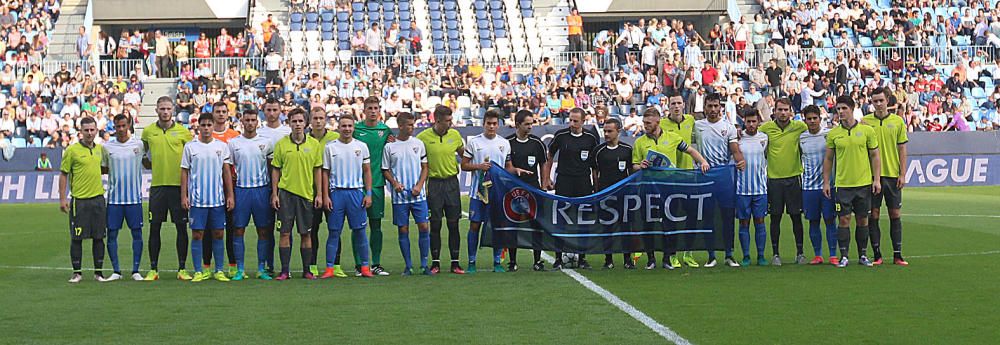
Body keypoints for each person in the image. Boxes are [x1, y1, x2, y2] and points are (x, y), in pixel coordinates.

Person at [632, 107, 711, 270]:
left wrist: (703, 161)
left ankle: (668, 257)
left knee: (670, 223)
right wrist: (641, 166)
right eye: (644, 122)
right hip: (648, 188)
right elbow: (634, 165)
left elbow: (690, 150)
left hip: (670, 188)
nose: (645, 125)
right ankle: (651, 259)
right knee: (648, 224)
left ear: (657, 122)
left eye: (648, 123)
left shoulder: (673, 138)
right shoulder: (639, 142)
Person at [462, 110, 524, 273]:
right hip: (478, 192)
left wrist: (515, 170)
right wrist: (479, 166)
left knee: (498, 226)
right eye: (488, 123)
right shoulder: (474, 142)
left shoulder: (504, 143)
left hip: (498, 193)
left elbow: (507, 167)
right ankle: (471, 262)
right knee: (475, 225)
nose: (491, 126)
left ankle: (497, 262)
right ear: (483, 124)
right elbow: (464, 165)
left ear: (498, 125)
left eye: (494, 123)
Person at [823, 96, 881, 268]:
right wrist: (826, 182)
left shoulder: (867, 131)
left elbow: (875, 155)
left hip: (863, 184)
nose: (840, 112)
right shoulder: (833, 134)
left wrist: (876, 179)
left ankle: (863, 255)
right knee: (844, 220)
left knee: (863, 220)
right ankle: (844, 256)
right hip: (842, 185)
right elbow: (828, 159)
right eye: (838, 109)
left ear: (852, 108)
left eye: (843, 108)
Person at [141, 96, 194, 281]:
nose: (165, 112)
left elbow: (191, 160)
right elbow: (144, 155)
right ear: (156, 110)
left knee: (181, 228)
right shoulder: (148, 132)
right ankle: (153, 269)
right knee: (154, 228)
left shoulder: (184, 133)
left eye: (168, 108)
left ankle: (182, 269)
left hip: (179, 187)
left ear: (173, 110)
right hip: (157, 187)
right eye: (162, 108)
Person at [180, 113, 236, 282]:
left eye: (208, 125)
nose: (206, 128)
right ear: (198, 127)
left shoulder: (221, 147)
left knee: (219, 233)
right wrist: (184, 196)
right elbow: (184, 172)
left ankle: (219, 270)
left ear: (213, 127)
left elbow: (226, 172)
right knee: (197, 234)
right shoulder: (190, 147)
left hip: (217, 199)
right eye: (203, 125)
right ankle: (199, 271)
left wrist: (230, 195)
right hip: (197, 200)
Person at [693, 93, 745, 268]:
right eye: (710, 106)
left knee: (727, 216)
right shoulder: (697, 125)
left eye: (716, 106)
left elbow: (735, 150)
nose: (713, 109)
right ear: (705, 107)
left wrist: (740, 160)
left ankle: (729, 254)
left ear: (720, 107)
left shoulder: (728, 127)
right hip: (704, 175)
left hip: (723, 174)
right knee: (708, 215)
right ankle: (711, 255)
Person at [543, 108, 599, 269]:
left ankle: (582, 257)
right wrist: (547, 178)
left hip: (583, 182)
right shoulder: (561, 136)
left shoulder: (590, 138)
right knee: (561, 220)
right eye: (570, 120)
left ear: (583, 121)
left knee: (583, 220)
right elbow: (550, 155)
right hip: (564, 182)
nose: (572, 124)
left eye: (575, 121)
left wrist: (596, 186)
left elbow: (594, 166)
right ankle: (558, 258)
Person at [271, 108, 323, 280]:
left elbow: (318, 170)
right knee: (284, 233)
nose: (298, 125)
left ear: (306, 123)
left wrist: (319, 194)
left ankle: (307, 270)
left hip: (306, 195)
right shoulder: (281, 144)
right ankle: (285, 270)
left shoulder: (314, 145)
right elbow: (275, 170)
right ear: (289, 123)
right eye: (294, 121)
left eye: (300, 121)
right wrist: (275, 193)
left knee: (306, 233)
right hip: (285, 194)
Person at [321, 115, 375, 278]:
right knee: (334, 231)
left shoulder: (361, 146)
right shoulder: (330, 147)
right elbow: (325, 173)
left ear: (353, 127)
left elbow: (367, 171)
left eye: (349, 126)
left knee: (360, 231)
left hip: (356, 193)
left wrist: (369, 193)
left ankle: (365, 267)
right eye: (343, 126)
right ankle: (329, 268)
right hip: (336, 193)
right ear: (338, 127)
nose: (347, 129)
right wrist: (325, 196)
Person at [416, 106, 466, 274]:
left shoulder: (455, 135)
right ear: (437, 120)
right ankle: (435, 263)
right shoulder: (423, 138)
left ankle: (455, 263)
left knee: (454, 224)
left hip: (452, 183)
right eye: (447, 121)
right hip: (434, 184)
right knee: (435, 224)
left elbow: (464, 154)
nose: (451, 123)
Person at [862, 89, 909, 266]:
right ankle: (877, 255)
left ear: (887, 100)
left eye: (881, 100)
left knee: (894, 213)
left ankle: (898, 255)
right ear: (871, 102)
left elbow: (902, 149)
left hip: (892, 175)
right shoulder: (866, 122)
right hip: (873, 177)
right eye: (875, 101)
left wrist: (902, 174)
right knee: (873, 214)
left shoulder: (897, 121)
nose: (878, 104)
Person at [228, 109, 277, 280]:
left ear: (257, 122)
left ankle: (261, 268)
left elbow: (272, 168)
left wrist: (273, 192)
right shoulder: (233, 143)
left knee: (263, 230)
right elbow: (230, 168)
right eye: (247, 120)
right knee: (239, 230)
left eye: (253, 120)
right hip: (241, 190)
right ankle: (240, 269)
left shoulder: (266, 142)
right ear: (242, 121)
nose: (250, 123)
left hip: (261, 190)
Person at [758, 98, 807, 265]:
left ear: (791, 111)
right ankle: (775, 254)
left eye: (786, 109)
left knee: (796, 217)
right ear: (775, 111)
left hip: (794, 179)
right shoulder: (766, 129)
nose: (783, 113)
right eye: (780, 109)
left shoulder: (800, 127)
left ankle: (800, 253)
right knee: (775, 218)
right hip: (774, 180)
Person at [382, 112, 431, 275]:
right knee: (403, 229)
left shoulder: (418, 143)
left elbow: (425, 167)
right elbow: (385, 169)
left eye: (413, 124)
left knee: (424, 227)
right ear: (400, 126)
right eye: (409, 125)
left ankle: (424, 264)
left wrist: (419, 185)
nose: (412, 128)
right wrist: (395, 183)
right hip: (400, 197)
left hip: (419, 195)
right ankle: (408, 265)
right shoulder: (390, 147)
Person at [59, 117, 108, 283]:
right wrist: (62, 199)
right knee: (77, 238)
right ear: (81, 131)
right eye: (86, 130)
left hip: (98, 199)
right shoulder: (72, 151)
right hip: (79, 201)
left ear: (96, 130)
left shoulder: (101, 149)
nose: (89, 133)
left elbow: (106, 168)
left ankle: (99, 273)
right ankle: (77, 273)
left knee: (99, 237)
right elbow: (63, 174)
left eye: (92, 130)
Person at [102, 115, 145, 281]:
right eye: (117, 126)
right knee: (112, 235)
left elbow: (147, 162)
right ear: (114, 127)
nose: (120, 129)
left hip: (134, 199)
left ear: (128, 125)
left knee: (137, 234)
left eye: (123, 126)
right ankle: (116, 271)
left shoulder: (139, 145)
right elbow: (104, 168)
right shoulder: (107, 147)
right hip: (114, 200)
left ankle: (135, 270)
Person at [353, 97, 393, 275]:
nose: (373, 111)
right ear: (364, 110)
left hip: (377, 185)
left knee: (376, 225)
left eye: (376, 108)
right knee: (358, 226)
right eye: (369, 108)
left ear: (380, 110)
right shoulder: (355, 129)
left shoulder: (385, 131)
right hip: (356, 186)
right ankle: (359, 265)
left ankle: (376, 264)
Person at [506, 110, 548, 270]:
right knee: (513, 225)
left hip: (533, 190)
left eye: (532, 124)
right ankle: (512, 261)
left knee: (536, 225)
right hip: (513, 190)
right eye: (527, 124)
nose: (530, 127)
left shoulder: (537, 143)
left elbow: (543, 163)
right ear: (517, 125)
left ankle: (537, 261)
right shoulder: (507, 142)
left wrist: (543, 186)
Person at [591, 117, 635, 269]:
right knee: (607, 227)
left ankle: (627, 259)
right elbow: (595, 172)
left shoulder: (627, 150)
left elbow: (631, 171)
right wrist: (597, 190)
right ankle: (608, 259)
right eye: (605, 131)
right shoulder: (598, 151)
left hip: (623, 195)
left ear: (619, 131)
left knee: (625, 227)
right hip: (605, 194)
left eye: (610, 131)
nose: (607, 134)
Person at [306, 107, 344, 278]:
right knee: (311, 230)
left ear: (326, 119)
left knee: (334, 229)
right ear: (310, 120)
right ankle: (312, 265)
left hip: (332, 192)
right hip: (310, 193)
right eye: (315, 118)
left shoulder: (335, 138)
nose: (318, 121)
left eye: (321, 118)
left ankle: (335, 265)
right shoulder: (304, 139)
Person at [800, 105, 838, 265]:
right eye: (809, 119)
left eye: (815, 118)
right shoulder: (801, 137)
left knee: (830, 220)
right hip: (808, 187)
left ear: (820, 118)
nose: (812, 121)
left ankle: (833, 255)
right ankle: (818, 255)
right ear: (805, 120)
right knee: (813, 221)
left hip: (828, 186)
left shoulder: (829, 135)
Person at [207, 101, 241, 276]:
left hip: (231, 188)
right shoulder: (205, 135)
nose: (220, 114)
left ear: (228, 114)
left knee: (232, 228)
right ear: (212, 114)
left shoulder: (235, 136)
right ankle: (207, 266)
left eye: (223, 111)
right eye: (217, 111)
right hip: (210, 188)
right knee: (209, 229)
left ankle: (233, 265)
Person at [735, 109, 768, 266]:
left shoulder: (765, 138)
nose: (751, 124)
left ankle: (761, 255)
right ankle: (746, 255)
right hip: (742, 189)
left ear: (758, 122)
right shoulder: (737, 138)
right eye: (748, 121)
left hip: (760, 189)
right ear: (744, 122)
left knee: (760, 221)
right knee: (744, 223)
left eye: (754, 121)